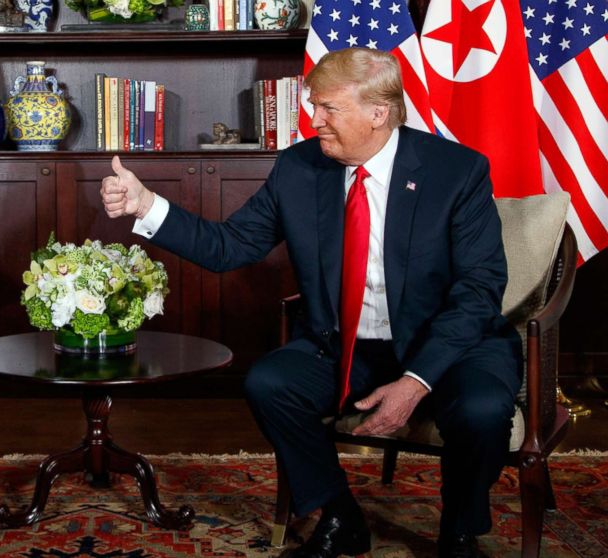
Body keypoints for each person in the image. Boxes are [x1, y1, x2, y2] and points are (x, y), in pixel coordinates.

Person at [100, 47, 521, 558]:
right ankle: (340, 514)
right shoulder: (300, 168)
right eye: (312, 105)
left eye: (328, 108)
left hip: (447, 347)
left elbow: (479, 291)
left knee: (483, 408)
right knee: (270, 383)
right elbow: (229, 246)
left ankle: (458, 529)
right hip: (346, 346)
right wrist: (146, 205)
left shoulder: (456, 172)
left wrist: (415, 382)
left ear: (378, 113)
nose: (314, 119)